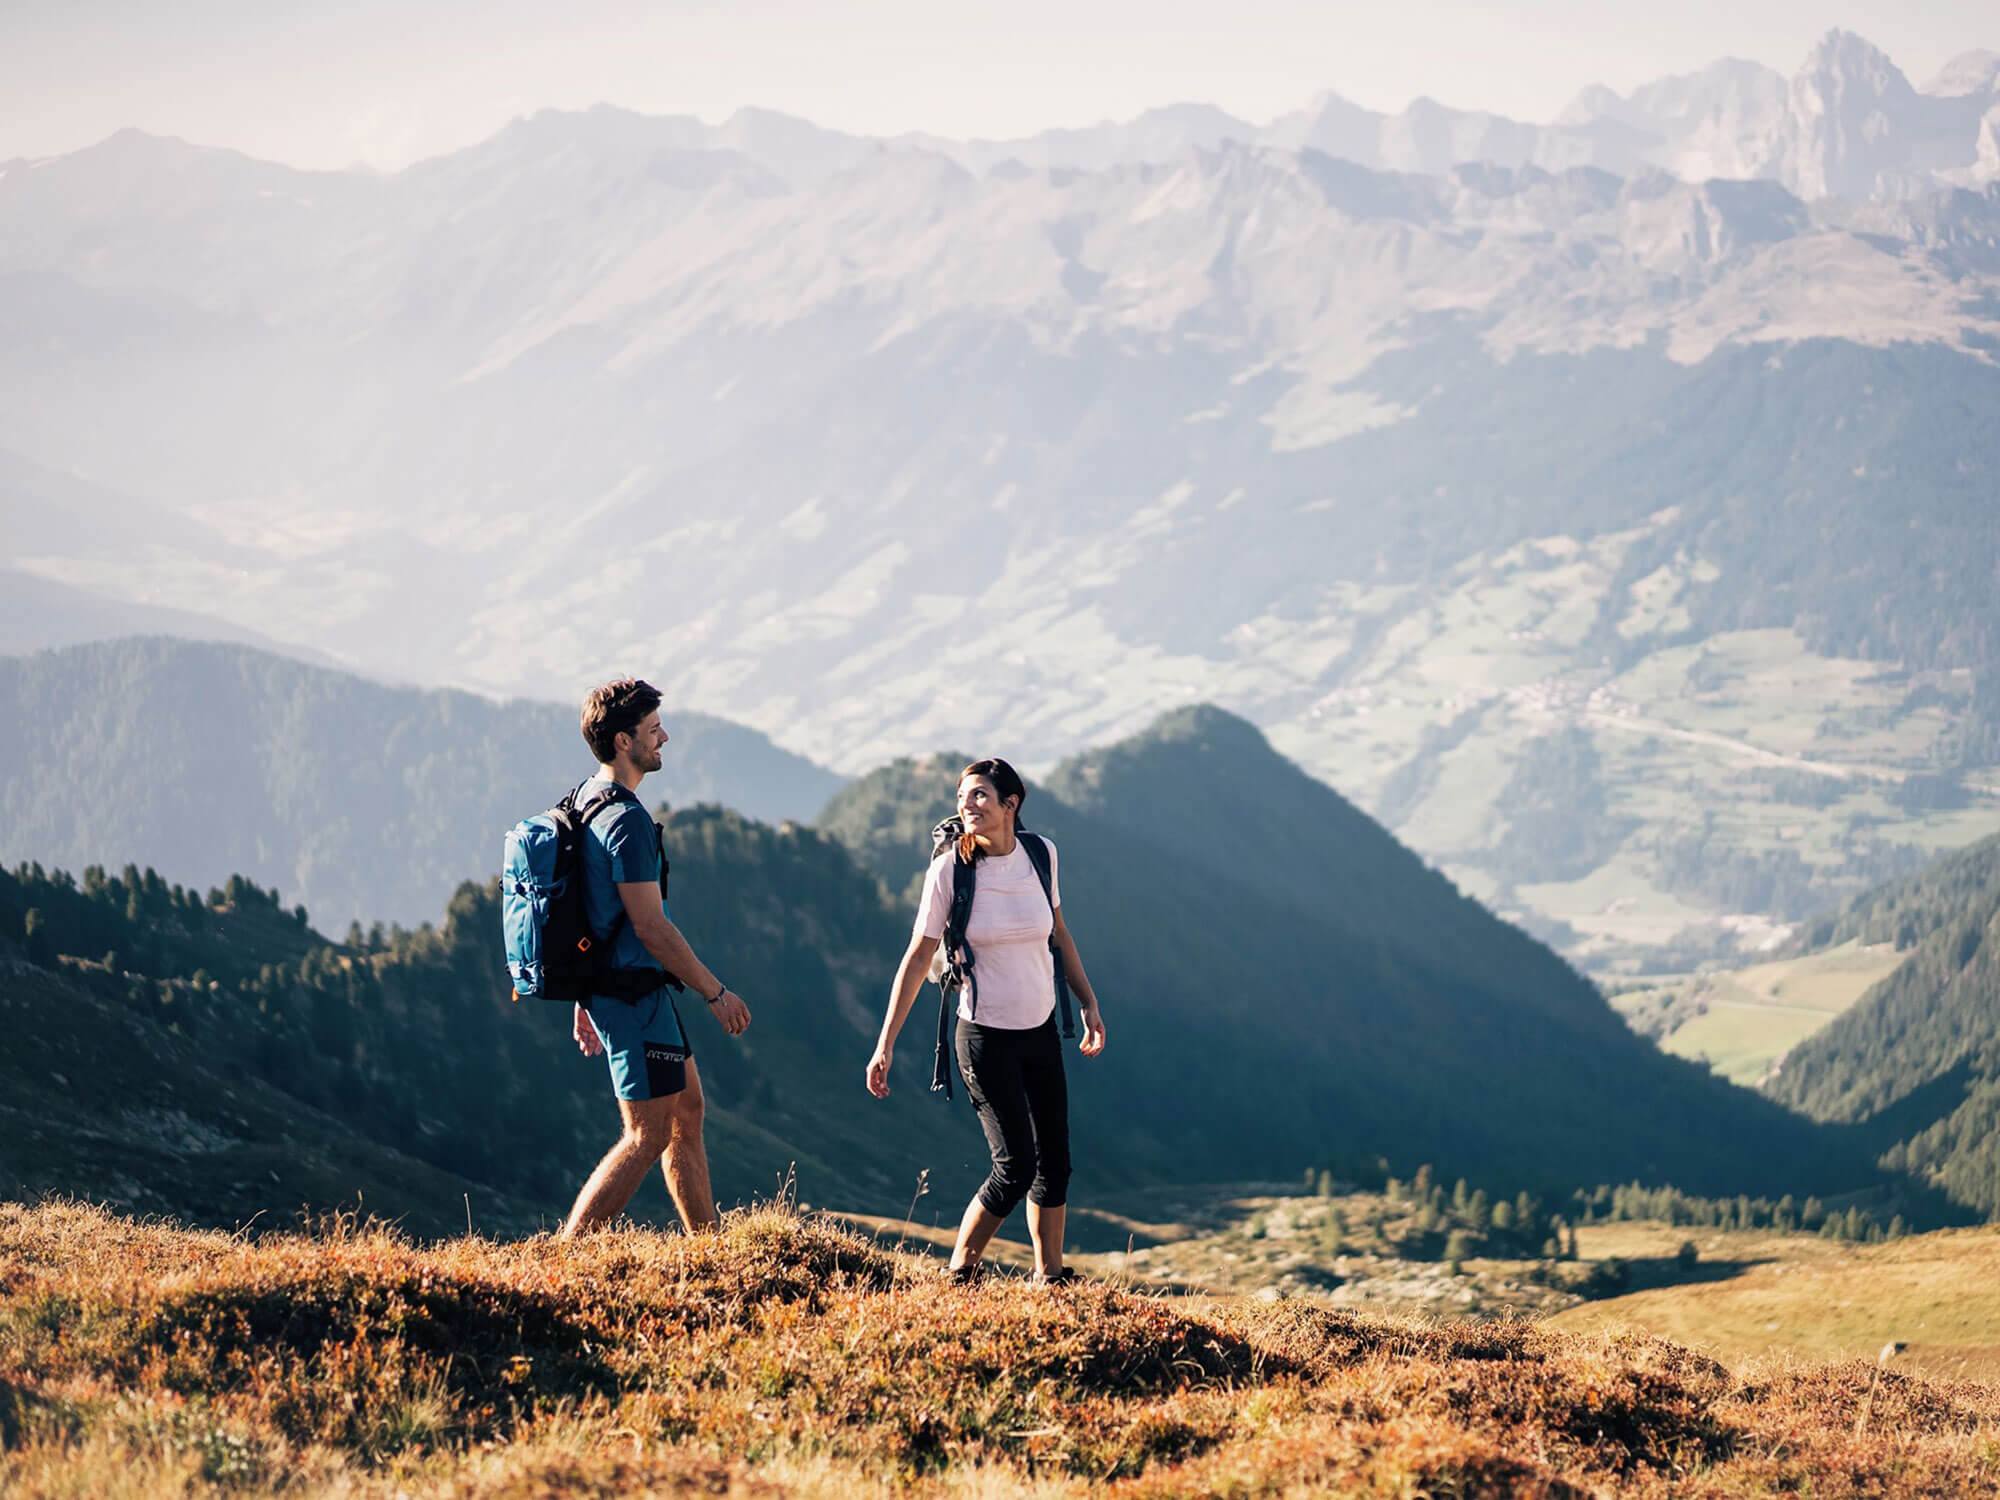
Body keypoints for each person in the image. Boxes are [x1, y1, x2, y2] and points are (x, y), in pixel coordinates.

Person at [866, 758, 1106, 1284]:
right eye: (962, 797)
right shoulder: (950, 870)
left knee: (1055, 1164)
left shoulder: (1041, 855)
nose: (966, 805)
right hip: (984, 1037)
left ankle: (1050, 1278)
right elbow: (916, 957)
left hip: (1041, 1029)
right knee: (1016, 1165)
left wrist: (1088, 1001)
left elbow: (1059, 934)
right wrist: (885, 1043)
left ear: (1009, 804)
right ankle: (960, 1274)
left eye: (979, 796)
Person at [559, 677, 752, 1238]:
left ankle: (708, 1245)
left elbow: (583, 909)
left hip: (618, 988)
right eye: (652, 730)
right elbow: (651, 927)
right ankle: (568, 1254)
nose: (663, 737)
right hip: (631, 993)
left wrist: (582, 993)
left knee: (686, 1111)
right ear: (624, 741)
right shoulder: (627, 822)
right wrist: (715, 992)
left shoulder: (583, 800)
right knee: (646, 1133)